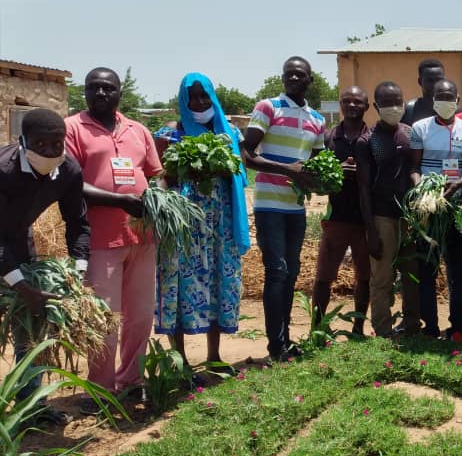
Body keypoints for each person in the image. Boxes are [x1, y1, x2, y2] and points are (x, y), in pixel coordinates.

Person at [65, 67, 162, 404]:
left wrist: (159, 201)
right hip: (100, 239)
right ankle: (100, 389)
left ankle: (131, 381)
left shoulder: (138, 130)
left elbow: (155, 174)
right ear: (85, 92)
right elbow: (71, 184)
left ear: (120, 92)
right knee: (104, 318)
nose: (101, 93)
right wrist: (120, 200)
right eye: (94, 88)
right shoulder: (73, 128)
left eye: (108, 88)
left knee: (140, 316)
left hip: (143, 237)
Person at [152, 74, 250, 374]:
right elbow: (160, 174)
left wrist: (223, 169)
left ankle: (215, 357)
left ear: (213, 96)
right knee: (180, 283)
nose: (199, 102)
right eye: (193, 96)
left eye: (204, 95)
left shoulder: (229, 131)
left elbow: (242, 169)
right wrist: (181, 175)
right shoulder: (172, 132)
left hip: (222, 223)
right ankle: (180, 360)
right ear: (184, 99)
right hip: (186, 221)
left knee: (220, 283)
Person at [0, 109, 89, 424]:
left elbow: (77, 224)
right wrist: (22, 287)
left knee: (30, 326)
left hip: (18, 242)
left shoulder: (68, 169)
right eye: (41, 144)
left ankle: (30, 406)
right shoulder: (3, 170)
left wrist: (76, 273)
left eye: (57, 143)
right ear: (23, 141)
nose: (51, 152)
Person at [241, 56, 325, 363]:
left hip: (295, 207)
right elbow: (247, 155)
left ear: (309, 80)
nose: (293, 79)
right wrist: (290, 171)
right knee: (276, 272)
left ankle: (285, 340)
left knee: (291, 274)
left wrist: (326, 177)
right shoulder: (268, 107)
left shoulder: (317, 118)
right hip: (268, 204)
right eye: (288, 74)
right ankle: (275, 347)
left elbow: (318, 163)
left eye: (299, 75)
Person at [409, 78, 462, 341]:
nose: (445, 101)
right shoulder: (420, 128)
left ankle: (458, 327)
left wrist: (459, 183)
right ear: (432, 100)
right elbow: (414, 168)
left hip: (455, 209)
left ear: (458, 99)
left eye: (450, 97)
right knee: (427, 270)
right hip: (430, 210)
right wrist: (422, 190)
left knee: (459, 271)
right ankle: (431, 327)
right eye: (440, 97)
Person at [358, 81, 420, 338]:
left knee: (411, 275)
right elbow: (363, 187)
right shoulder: (368, 140)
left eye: (398, 102)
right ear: (376, 106)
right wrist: (370, 230)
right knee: (382, 278)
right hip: (381, 217)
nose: (394, 108)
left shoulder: (410, 133)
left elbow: (416, 168)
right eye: (387, 103)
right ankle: (382, 330)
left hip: (409, 217)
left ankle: (412, 325)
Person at [311, 86, 370, 334]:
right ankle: (318, 328)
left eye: (358, 101)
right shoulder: (327, 138)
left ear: (366, 106)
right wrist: (337, 173)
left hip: (366, 219)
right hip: (336, 219)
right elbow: (314, 177)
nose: (352, 105)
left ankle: (358, 327)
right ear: (341, 105)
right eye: (347, 101)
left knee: (364, 276)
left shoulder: (373, 138)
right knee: (324, 275)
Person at [402, 58, 445, 126]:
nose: (434, 85)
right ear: (420, 82)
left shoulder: (453, 111)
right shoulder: (408, 111)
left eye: (438, 80)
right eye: (429, 81)